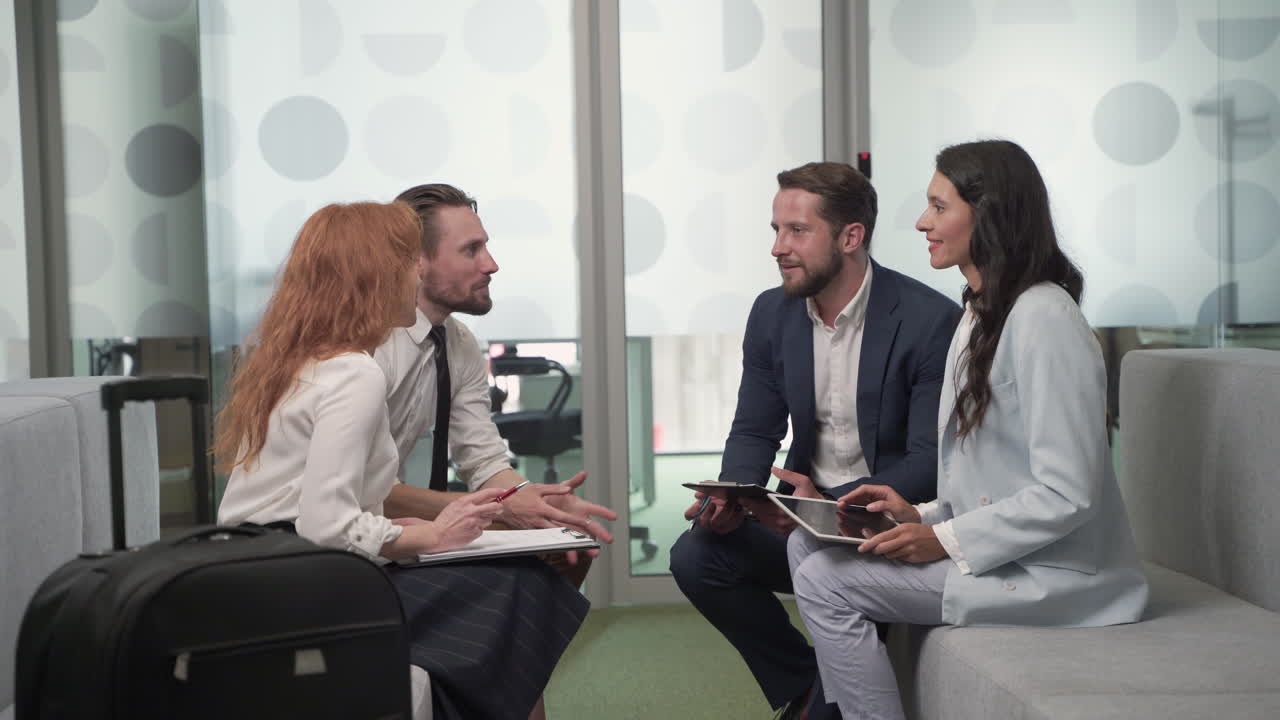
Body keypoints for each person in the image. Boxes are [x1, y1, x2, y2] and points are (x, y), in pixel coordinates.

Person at [787, 140, 1150, 720]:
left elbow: (1068, 492)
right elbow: (988, 479)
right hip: (1005, 549)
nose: (921, 222)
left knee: (826, 581)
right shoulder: (979, 314)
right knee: (807, 539)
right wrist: (918, 514)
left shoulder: (1045, 317)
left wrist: (945, 541)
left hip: (1056, 572)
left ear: (988, 214)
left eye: (938, 206)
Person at [215, 201, 588, 720]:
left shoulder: (307, 358)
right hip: (300, 580)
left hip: (260, 569)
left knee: (511, 586)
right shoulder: (357, 372)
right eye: (405, 260)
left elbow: (319, 506)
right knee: (516, 591)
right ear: (373, 274)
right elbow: (326, 524)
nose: (413, 272)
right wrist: (433, 534)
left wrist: (415, 528)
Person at [668, 162, 961, 718]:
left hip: (882, 524)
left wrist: (834, 502)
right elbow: (755, 427)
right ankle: (802, 683)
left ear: (851, 237)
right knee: (696, 556)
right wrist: (731, 495)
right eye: (775, 230)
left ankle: (818, 700)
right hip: (803, 519)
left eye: (796, 231)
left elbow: (931, 459)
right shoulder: (772, 312)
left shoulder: (929, 321)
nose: (778, 247)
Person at [375, 183, 617, 592]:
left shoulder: (459, 343)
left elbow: (483, 460)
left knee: (565, 542)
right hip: (336, 529)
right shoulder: (370, 345)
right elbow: (368, 492)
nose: (491, 264)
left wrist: (534, 501)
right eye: (471, 250)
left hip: (390, 517)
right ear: (418, 261)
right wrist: (504, 506)